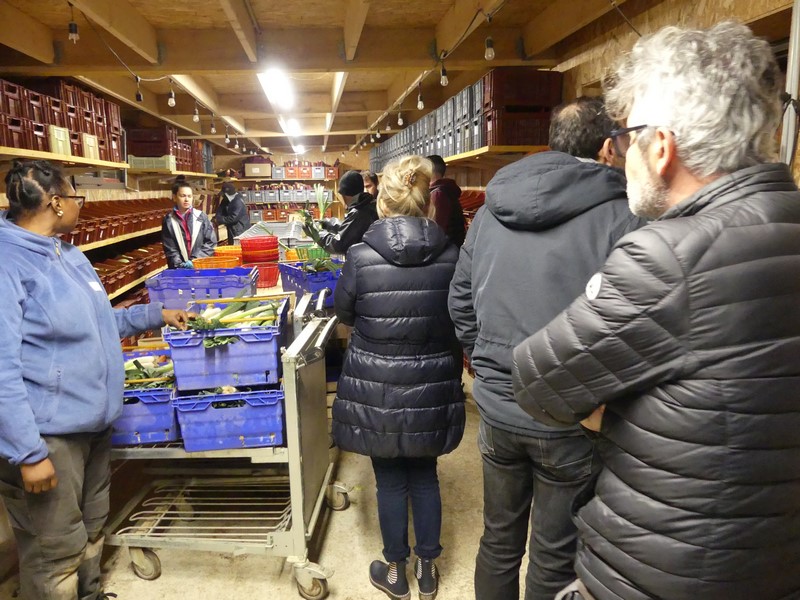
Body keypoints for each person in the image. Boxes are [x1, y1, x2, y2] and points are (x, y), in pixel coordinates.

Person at [512, 22, 800, 600]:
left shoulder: (667, 255)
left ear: (661, 147)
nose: (622, 155)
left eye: (627, 138)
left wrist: (621, 406)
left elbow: (538, 385)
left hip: (659, 569)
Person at [448, 97, 644, 600]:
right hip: (573, 416)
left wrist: (487, 364)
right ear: (608, 148)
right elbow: (632, 325)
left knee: (498, 540)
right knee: (554, 556)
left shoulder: (491, 212)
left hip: (498, 407)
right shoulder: (624, 217)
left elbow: (460, 300)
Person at [0, 160, 189, 600]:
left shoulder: (67, 254)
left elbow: (100, 319)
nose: (80, 206)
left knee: (89, 528)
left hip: (94, 423)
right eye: (76, 197)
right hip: (50, 437)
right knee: (54, 549)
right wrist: (27, 452)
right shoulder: (8, 265)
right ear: (55, 202)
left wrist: (155, 315)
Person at [332, 155, 466, 600]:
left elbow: (345, 313)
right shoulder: (451, 256)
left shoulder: (360, 256)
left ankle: (395, 572)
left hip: (379, 387)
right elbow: (458, 317)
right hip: (432, 384)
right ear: (426, 202)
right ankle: (427, 570)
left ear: (382, 203)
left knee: (389, 479)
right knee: (425, 475)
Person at [305, 169, 378, 255]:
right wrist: (328, 224)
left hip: (364, 259)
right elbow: (351, 229)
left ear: (345, 195)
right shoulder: (367, 204)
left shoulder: (360, 211)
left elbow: (339, 245)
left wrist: (317, 235)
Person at [161, 177, 216, 269]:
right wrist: (179, 265)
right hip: (178, 269)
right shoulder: (169, 220)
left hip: (201, 266)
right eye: (183, 196)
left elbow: (211, 242)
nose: (186, 199)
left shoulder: (201, 217)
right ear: (174, 197)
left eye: (189, 196)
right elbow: (170, 248)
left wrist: (195, 261)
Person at [426, 154, 466, 247]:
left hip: (446, 248)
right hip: (451, 247)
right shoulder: (445, 189)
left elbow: (437, 230)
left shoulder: (438, 194)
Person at [214, 181, 250, 245]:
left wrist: (219, 220)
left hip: (239, 231)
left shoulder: (238, 202)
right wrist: (217, 217)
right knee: (232, 246)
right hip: (232, 230)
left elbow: (233, 218)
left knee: (237, 248)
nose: (222, 196)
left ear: (227, 194)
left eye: (223, 194)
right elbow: (220, 210)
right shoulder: (226, 200)